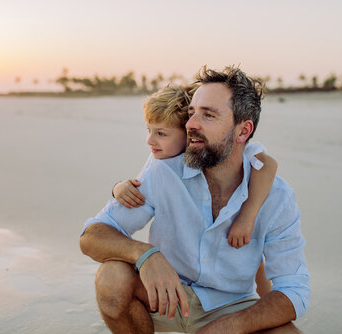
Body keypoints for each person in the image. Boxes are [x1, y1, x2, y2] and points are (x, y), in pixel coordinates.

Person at [80, 66, 310, 334]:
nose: (191, 123)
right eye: (191, 113)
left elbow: (294, 290)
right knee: (111, 277)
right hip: (164, 296)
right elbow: (92, 235)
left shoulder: (276, 196)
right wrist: (145, 254)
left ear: (243, 130)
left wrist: (229, 326)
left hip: (230, 305)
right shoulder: (163, 170)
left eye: (208, 114)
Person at [112, 83, 276, 296]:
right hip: (183, 262)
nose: (150, 140)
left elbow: (268, 165)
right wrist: (118, 187)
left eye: (161, 133)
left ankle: (265, 298)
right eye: (149, 131)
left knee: (252, 256)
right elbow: (141, 183)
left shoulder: (222, 148)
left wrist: (248, 216)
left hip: (229, 227)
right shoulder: (159, 162)